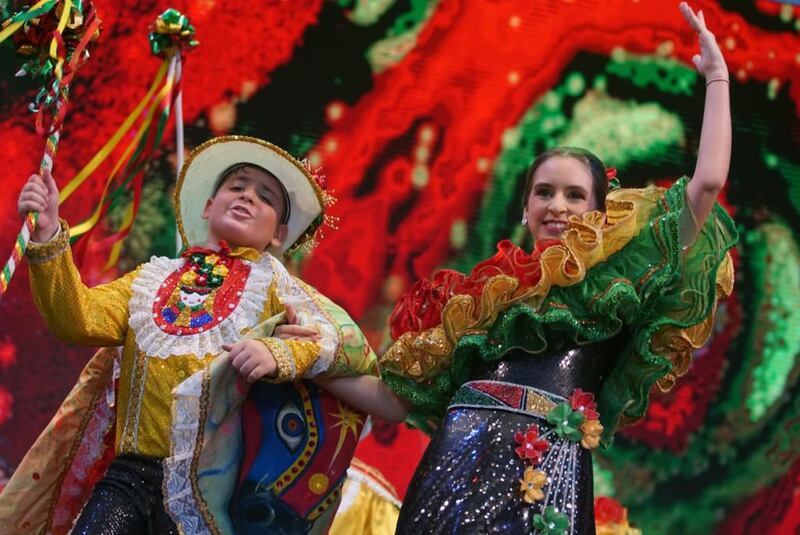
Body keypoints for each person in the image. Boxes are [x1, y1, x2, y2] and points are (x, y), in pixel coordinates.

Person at [301, 3, 737, 533]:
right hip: (452, 471)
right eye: (544, 192)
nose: (557, 205)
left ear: (601, 212)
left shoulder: (614, 284)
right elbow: (391, 401)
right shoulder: (477, 305)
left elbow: (706, 185)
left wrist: (717, 78)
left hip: (547, 477)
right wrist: (308, 359)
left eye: (575, 195)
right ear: (525, 209)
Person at [1, 136, 378, 535]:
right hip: (127, 479)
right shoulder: (151, 280)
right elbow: (77, 318)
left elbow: (335, 340)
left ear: (279, 235)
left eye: (265, 196)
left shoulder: (276, 288)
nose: (248, 196)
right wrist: (46, 235)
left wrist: (279, 354)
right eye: (236, 185)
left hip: (212, 494)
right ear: (208, 206)